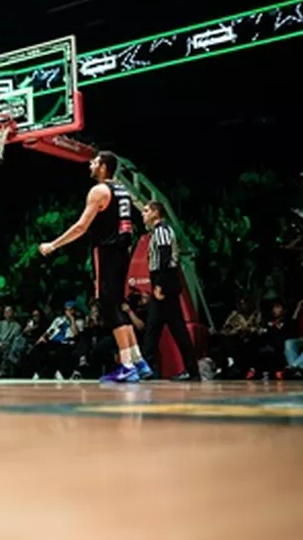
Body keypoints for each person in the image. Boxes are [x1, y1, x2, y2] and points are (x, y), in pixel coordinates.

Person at [39, 151, 153, 382]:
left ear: (103, 167)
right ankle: (138, 361)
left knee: (110, 308)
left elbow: (81, 227)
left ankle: (127, 365)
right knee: (118, 306)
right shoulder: (123, 189)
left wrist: (53, 245)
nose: (90, 164)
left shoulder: (99, 191)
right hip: (122, 252)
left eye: (94, 162)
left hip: (108, 252)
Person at [140, 201, 200, 381]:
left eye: (146, 211)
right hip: (163, 282)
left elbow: (165, 257)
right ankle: (147, 367)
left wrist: (160, 285)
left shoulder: (162, 231)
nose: (143, 214)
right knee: (155, 327)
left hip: (165, 283)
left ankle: (191, 370)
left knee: (170, 328)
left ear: (155, 213)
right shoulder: (157, 232)